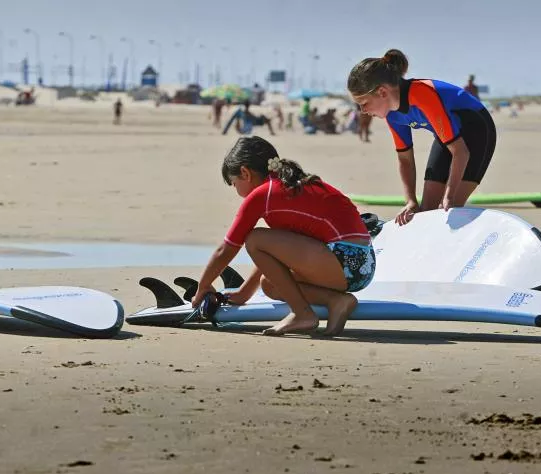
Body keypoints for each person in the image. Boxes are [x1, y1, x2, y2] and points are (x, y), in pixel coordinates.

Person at [191, 136, 375, 336]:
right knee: (270, 284)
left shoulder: (264, 195)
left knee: (254, 238)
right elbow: (275, 257)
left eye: (234, 183)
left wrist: (202, 287)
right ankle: (337, 301)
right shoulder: (287, 186)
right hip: (362, 265)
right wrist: (244, 293)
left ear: (245, 173)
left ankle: (303, 314)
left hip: (346, 260)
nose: (235, 189)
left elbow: (226, 249)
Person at [348, 49, 496, 225]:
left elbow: (460, 152)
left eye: (364, 104)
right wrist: (410, 201)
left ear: (382, 92)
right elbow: (405, 160)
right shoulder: (392, 115)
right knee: (426, 212)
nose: (362, 111)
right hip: (448, 138)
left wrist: (449, 194)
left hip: (477, 131)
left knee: (448, 209)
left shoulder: (422, 94)